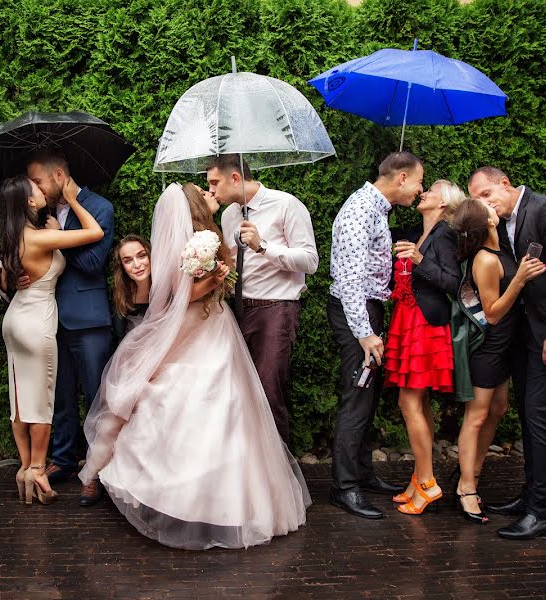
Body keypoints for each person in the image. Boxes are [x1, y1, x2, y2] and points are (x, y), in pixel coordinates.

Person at [78, 182, 310, 550]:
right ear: (194, 205)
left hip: (215, 324)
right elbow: (181, 292)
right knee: (199, 400)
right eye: (205, 191)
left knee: (229, 405)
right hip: (199, 325)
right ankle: (180, 496)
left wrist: (222, 277)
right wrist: (214, 281)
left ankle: (223, 504)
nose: (210, 192)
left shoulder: (212, 232)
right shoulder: (190, 242)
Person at [468, 167, 546, 539]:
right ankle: (530, 496)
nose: (486, 203)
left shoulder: (545, 209)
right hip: (526, 335)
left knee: (541, 419)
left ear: (506, 184)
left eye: (489, 194)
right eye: (479, 199)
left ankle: (542, 512)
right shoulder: (507, 219)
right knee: (529, 416)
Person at [327, 152, 424, 520]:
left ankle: (363, 474)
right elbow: (349, 281)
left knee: (367, 398)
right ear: (401, 177)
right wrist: (365, 334)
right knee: (357, 396)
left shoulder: (378, 208)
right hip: (357, 313)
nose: (420, 189)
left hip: (369, 308)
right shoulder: (360, 210)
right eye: (417, 181)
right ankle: (344, 487)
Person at [0, 174, 104, 505]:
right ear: (29, 202)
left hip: (15, 317)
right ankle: (39, 469)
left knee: (19, 395)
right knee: (42, 398)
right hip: (37, 322)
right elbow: (95, 232)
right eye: (36, 189)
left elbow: (4, 280)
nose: (42, 190)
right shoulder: (41, 237)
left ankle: (25, 467)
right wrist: (72, 200)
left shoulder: (14, 235)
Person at [208, 154, 319, 445]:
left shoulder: (286, 205)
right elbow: (234, 264)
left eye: (215, 183)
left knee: (269, 392)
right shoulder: (229, 214)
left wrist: (263, 246)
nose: (211, 191)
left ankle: (279, 476)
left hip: (276, 310)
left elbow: (310, 261)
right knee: (240, 393)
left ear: (235, 178)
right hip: (238, 310)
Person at [26, 148, 115, 507]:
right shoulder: (38, 213)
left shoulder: (99, 207)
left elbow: (94, 263)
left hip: (89, 318)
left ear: (59, 177)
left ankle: (96, 470)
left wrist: (60, 233)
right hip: (47, 318)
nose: (35, 187)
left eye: (38, 180)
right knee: (59, 396)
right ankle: (62, 459)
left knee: (96, 397)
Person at [451, 198, 546, 524]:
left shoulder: (500, 247)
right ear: (487, 222)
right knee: (475, 417)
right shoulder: (486, 260)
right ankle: (466, 487)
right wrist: (519, 279)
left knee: (498, 409)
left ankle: (473, 471)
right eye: (487, 206)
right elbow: (491, 314)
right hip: (489, 349)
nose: (493, 206)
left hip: (505, 349)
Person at [385, 180, 463, 515]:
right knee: (421, 402)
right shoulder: (422, 231)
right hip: (409, 318)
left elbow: (453, 282)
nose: (423, 193)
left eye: (431, 191)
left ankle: (429, 482)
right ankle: (418, 478)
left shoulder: (444, 234)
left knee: (408, 400)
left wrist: (419, 260)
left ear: (443, 204)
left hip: (425, 324)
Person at [110, 235, 151, 341]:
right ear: (122, 267)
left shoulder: (167, 287)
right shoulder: (121, 294)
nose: (137, 265)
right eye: (128, 261)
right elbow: (119, 337)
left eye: (142, 256)